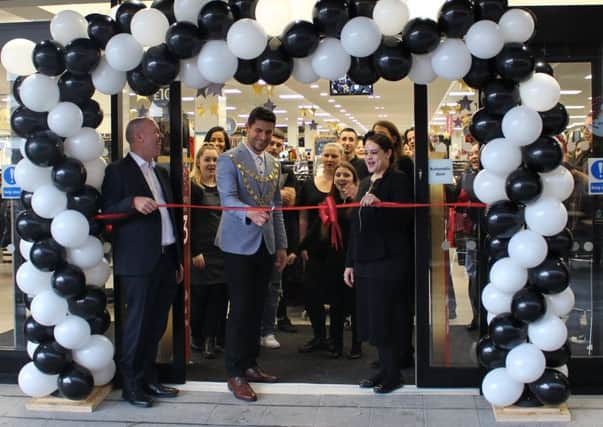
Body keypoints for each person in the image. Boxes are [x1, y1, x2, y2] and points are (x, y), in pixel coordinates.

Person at [101, 117, 183, 408]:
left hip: (165, 258)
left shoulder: (160, 173)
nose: (160, 138)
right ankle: (130, 385)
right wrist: (131, 203)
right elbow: (107, 211)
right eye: (155, 134)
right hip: (137, 263)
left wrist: (176, 259)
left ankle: (149, 378)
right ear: (137, 138)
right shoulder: (117, 171)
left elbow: (170, 218)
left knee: (156, 325)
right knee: (136, 325)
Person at [215, 106, 287, 402]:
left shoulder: (274, 162)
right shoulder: (227, 159)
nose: (263, 137)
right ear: (247, 127)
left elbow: (278, 207)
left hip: (266, 246)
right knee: (241, 309)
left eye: (268, 132)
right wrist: (251, 213)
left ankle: (250, 364)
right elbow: (227, 200)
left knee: (258, 308)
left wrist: (281, 244)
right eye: (258, 130)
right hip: (237, 246)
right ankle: (234, 372)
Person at [344, 131, 413, 394]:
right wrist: (349, 263)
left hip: (388, 261)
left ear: (388, 153)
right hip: (364, 261)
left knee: (386, 318)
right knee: (373, 319)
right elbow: (355, 227)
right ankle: (384, 370)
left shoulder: (398, 180)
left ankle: (393, 374)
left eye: (375, 152)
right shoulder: (363, 183)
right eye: (367, 152)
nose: (370, 157)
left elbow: (402, 222)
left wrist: (381, 205)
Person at [298, 162, 362, 359]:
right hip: (334, 261)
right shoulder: (328, 202)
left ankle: (356, 345)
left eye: (346, 175)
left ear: (354, 179)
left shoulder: (359, 202)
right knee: (336, 306)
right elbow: (316, 228)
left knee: (354, 305)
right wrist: (297, 249)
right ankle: (336, 344)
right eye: (338, 175)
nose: (342, 178)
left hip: (356, 258)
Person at [297, 142, 343, 353]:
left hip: (338, 246)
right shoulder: (308, 184)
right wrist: (302, 245)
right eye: (326, 155)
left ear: (341, 158)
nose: (330, 159)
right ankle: (318, 336)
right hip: (314, 247)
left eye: (334, 156)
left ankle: (335, 339)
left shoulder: (344, 184)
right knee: (310, 291)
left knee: (336, 295)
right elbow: (303, 216)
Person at [189, 143, 228, 358]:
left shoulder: (225, 187)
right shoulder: (194, 188)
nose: (212, 164)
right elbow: (188, 222)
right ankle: (198, 336)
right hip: (201, 251)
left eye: (215, 160)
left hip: (222, 251)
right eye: (208, 160)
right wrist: (194, 251)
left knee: (219, 298)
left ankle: (212, 340)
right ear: (199, 163)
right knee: (200, 298)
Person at [260, 129, 298, 348]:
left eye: (278, 144)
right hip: (252, 236)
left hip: (275, 235)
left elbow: (288, 199)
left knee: (274, 287)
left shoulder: (284, 170)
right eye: (271, 142)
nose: (273, 147)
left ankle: (268, 330)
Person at [447, 142, 481, 330]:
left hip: (489, 232)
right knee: (473, 274)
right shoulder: (465, 176)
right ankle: (476, 315)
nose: (474, 156)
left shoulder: (494, 176)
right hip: (469, 234)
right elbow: (452, 198)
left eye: (478, 152)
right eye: (473, 153)